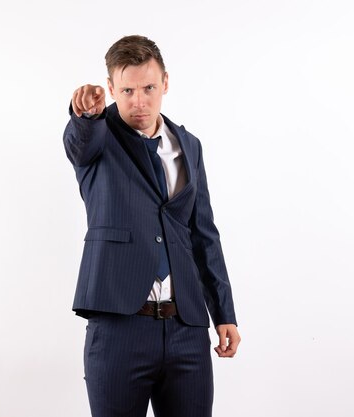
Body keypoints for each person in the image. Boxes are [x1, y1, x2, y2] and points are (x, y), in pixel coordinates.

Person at [63, 35, 241, 417]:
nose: (138, 101)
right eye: (126, 90)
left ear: (165, 84)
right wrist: (85, 113)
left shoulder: (188, 145)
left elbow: (204, 233)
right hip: (119, 327)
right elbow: (80, 143)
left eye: (148, 88)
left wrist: (223, 312)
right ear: (111, 88)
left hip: (186, 328)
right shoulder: (97, 137)